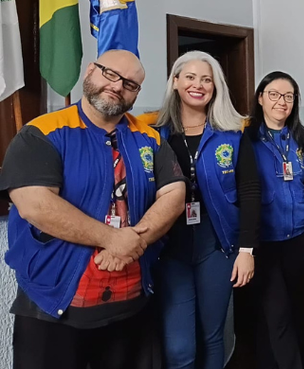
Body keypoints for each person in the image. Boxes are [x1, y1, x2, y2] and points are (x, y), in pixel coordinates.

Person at [0, 49, 186, 369]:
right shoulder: (41, 132)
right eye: (110, 74)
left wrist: (133, 240)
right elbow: (34, 204)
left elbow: (174, 193)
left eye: (130, 83)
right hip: (54, 305)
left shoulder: (150, 138)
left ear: (136, 93)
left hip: (131, 305)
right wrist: (111, 239)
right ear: (90, 71)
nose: (117, 86)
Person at [150, 51, 260, 369]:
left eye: (206, 79)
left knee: (212, 337)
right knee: (179, 345)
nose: (198, 85)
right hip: (170, 249)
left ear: (215, 87)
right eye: (190, 77)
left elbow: (250, 193)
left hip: (217, 246)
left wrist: (246, 251)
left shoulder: (233, 135)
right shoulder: (154, 135)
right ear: (175, 82)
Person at [245, 71, 304, 369]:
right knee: (277, 311)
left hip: (297, 237)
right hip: (264, 240)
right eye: (274, 94)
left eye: (288, 96)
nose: (281, 102)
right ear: (260, 98)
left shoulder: (301, 139)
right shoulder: (246, 140)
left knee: (289, 308)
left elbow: (303, 183)